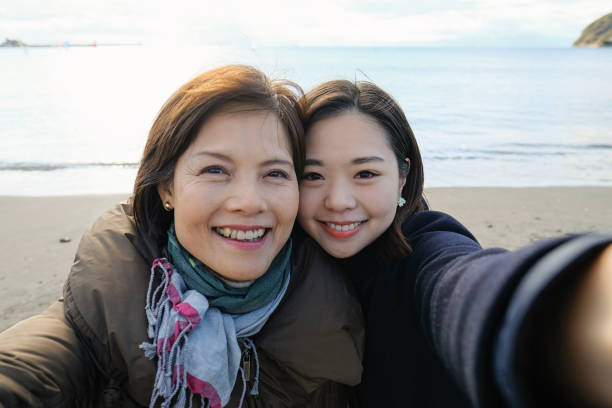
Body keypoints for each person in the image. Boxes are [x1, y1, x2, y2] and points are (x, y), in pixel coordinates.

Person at [0, 66, 364, 407]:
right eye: (215, 169)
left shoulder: (341, 317)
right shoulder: (98, 318)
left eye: (275, 174)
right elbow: (27, 371)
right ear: (166, 188)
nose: (249, 202)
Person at [297, 79, 612, 408]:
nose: (338, 201)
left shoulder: (425, 249)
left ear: (402, 177)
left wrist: (567, 307)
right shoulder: (277, 266)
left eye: (365, 174)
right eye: (313, 175)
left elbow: (469, 286)